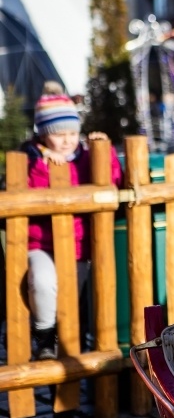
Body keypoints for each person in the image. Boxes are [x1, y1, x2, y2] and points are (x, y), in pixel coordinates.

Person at [22, 86, 122, 359]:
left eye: (72, 133)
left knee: (76, 306)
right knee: (43, 282)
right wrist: (43, 164)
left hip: (80, 247)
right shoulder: (32, 159)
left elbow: (112, 179)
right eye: (58, 134)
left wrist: (106, 150)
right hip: (43, 244)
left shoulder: (86, 156)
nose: (67, 141)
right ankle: (44, 335)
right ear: (43, 134)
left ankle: (74, 361)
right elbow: (30, 192)